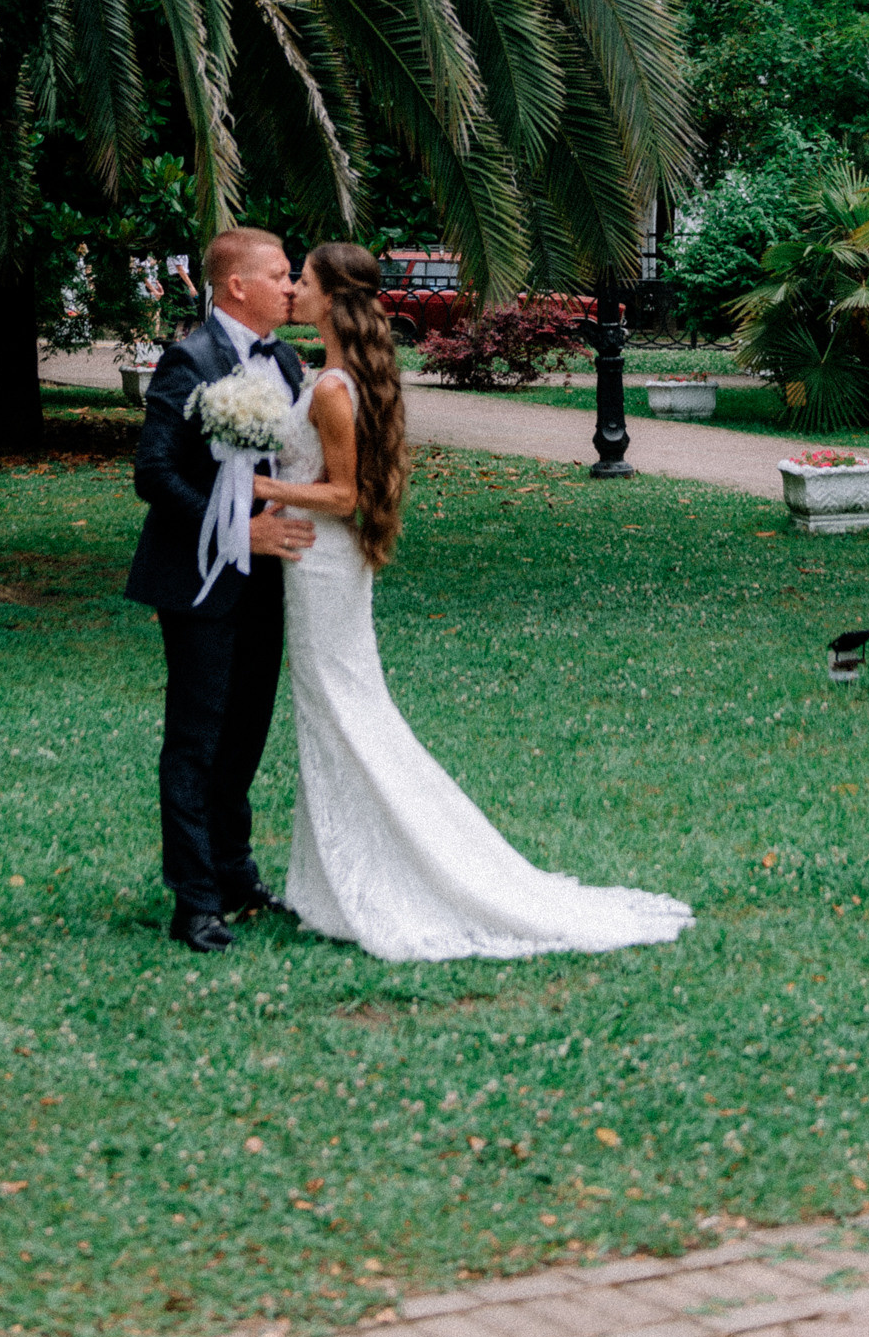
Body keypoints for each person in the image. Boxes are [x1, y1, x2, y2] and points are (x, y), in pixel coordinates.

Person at [253, 241, 693, 963]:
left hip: (320, 561)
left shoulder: (334, 387)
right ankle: (330, 879)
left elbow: (345, 495)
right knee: (334, 710)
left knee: (344, 710)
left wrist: (262, 489)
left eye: (302, 280)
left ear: (332, 298)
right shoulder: (333, 375)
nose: (293, 290)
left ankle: (397, 870)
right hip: (314, 566)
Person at [124, 226, 315, 953]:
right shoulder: (190, 359)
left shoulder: (287, 361)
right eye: (279, 274)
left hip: (269, 581)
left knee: (245, 738)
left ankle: (236, 876)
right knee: (197, 741)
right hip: (201, 579)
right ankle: (195, 900)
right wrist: (237, 532)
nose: (291, 285)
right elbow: (155, 473)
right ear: (237, 286)